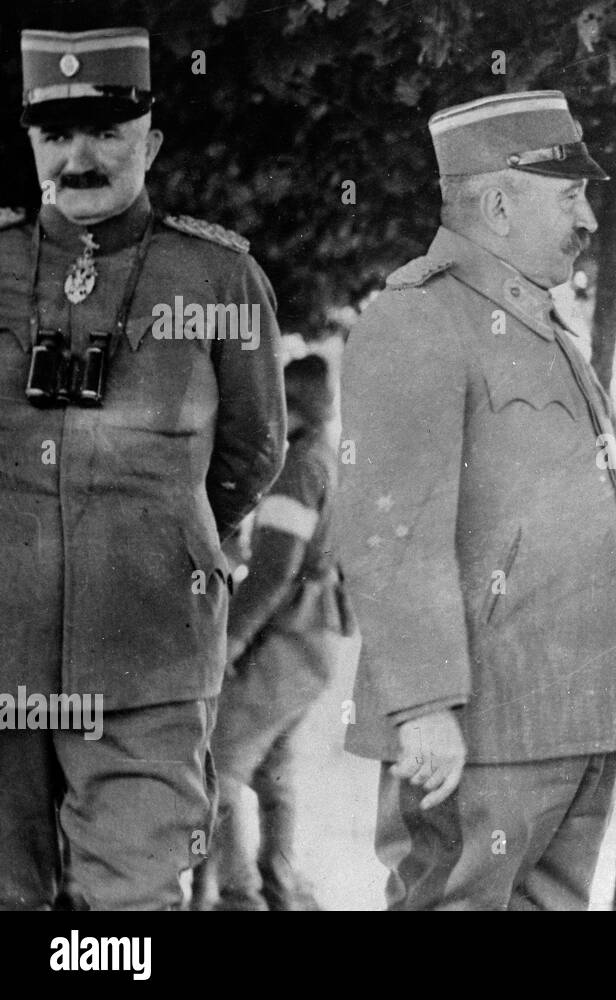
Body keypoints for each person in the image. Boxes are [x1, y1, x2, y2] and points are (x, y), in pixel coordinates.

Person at [338, 91, 616, 910]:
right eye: (570, 195)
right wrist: (424, 707)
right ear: (502, 201)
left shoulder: (542, 326)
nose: (588, 218)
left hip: (576, 717)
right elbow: (390, 537)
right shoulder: (421, 320)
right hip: (480, 726)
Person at [0, 25, 285, 910]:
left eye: (107, 132)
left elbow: (253, 449)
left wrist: (172, 544)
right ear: (32, 144)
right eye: (57, 134)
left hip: (148, 655)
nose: (81, 157)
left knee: (130, 913)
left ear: (150, 143)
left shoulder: (216, 276)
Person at [195, 353, 353, 910]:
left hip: (290, 636)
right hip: (317, 637)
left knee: (217, 765)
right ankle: (279, 894)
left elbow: (274, 570)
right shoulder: (326, 460)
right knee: (273, 774)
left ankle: (242, 899)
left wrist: (230, 641)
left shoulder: (300, 466)